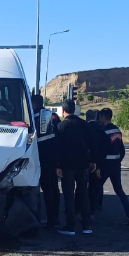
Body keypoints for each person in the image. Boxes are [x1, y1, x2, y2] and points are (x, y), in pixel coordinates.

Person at [55, 100, 95, 236]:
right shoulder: (84, 124)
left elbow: (58, 148)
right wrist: (92, 161)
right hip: (83, 164)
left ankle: (70, 226)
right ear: (75, 110)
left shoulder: (61, 126)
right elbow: (91, 144)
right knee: (83, 194)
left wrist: (58, 165)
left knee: (68, 195)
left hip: (67, 166)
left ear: (63, 110)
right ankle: (86, 225)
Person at [99, 108, 129, 226]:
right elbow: (122, 150)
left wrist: (99, 166)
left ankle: (90, 215)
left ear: (103, 117)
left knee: (96, 187)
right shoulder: (117, 131)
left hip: (105, 165)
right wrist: (118, 160)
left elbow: (101, 151)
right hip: (116, 164)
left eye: (100, 117)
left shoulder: (103, 131)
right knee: (119, 190)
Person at [32, 95, 60, 229]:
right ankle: (56, 217)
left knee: (46, 189)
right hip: (54, 155)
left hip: (41, 156)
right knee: (54, 188)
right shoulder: (53, 115)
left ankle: (50, 219)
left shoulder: (34, 117)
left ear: (34, 103)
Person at [83, 109, 109, 218]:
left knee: (83, 186)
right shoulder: (101, 128)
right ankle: (94, 208)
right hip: (98, 163)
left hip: (85, 162)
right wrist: (99, 164)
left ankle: (82, 209)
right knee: (96, 186)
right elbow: (104, 147)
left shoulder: (84, 128)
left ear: (86, 117)